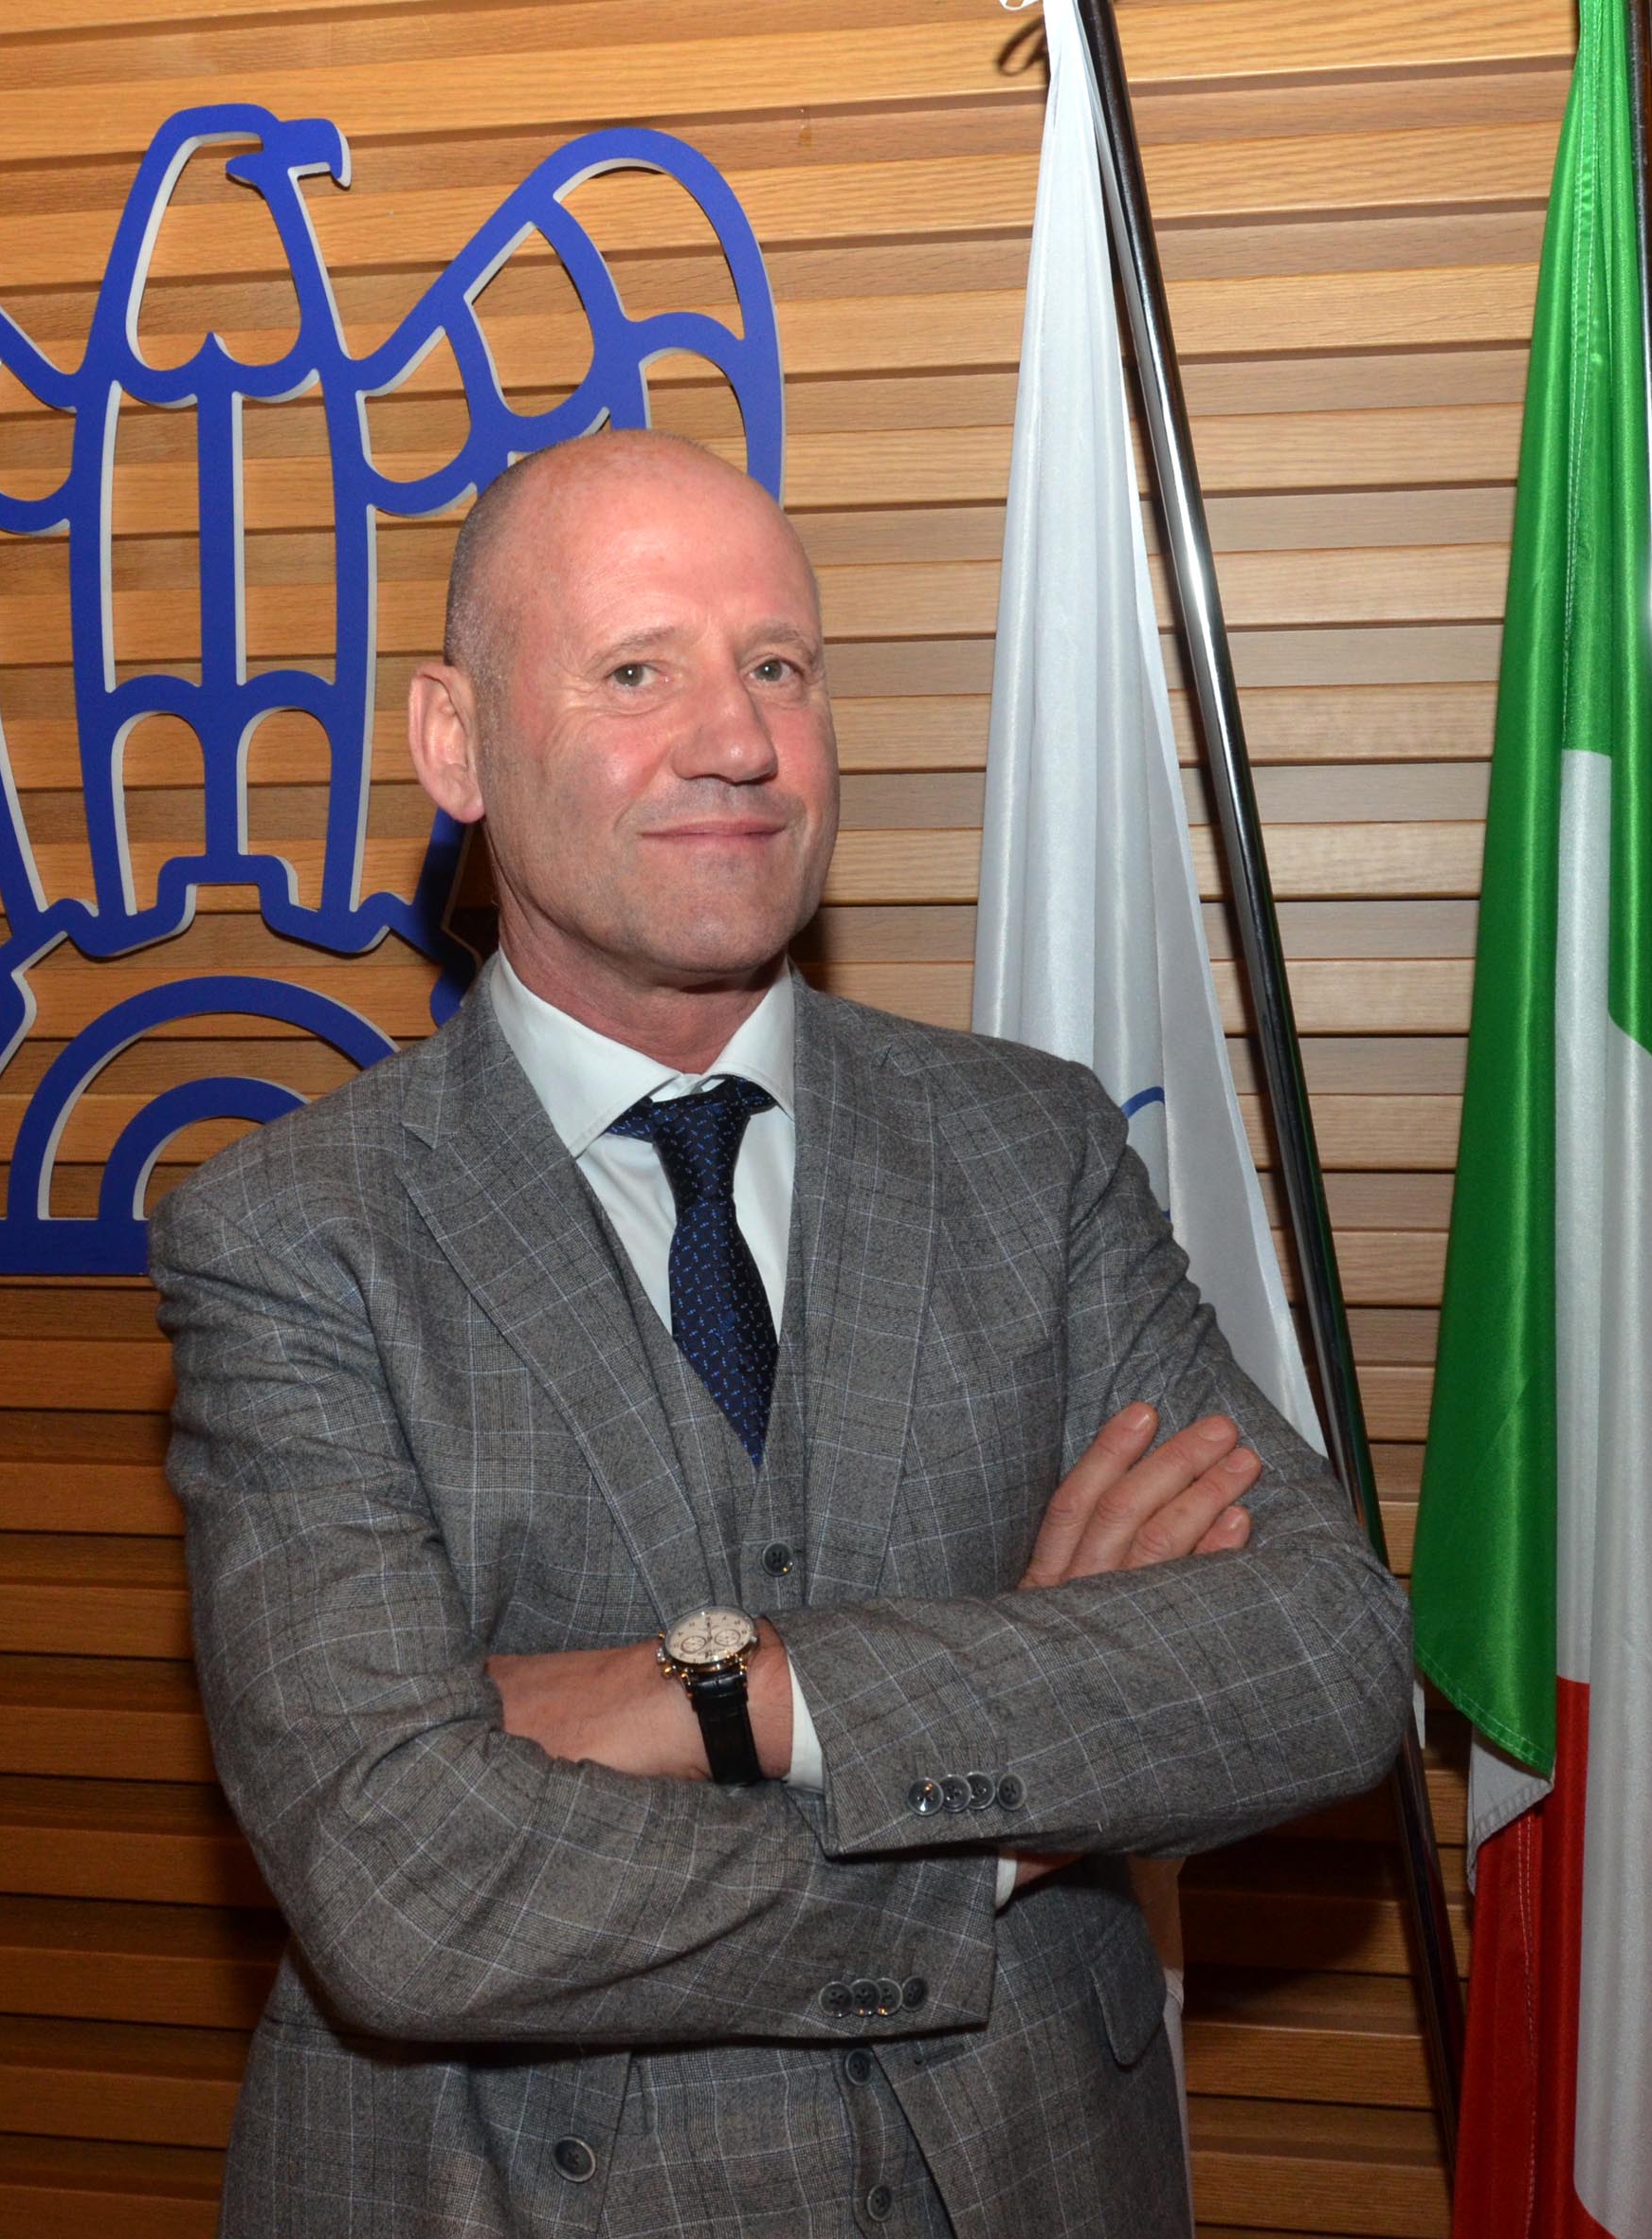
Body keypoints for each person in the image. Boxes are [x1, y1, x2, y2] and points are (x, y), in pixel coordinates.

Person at [149, 428, 1412, 2238]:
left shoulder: (1029, 1146)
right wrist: (1010, 1791)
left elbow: (1318, 1655)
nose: (736, 738)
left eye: (777, 667)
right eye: (634, 671)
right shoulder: (291, 1235)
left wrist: (735, 1695)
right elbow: (407, 1882)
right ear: (455, 741)